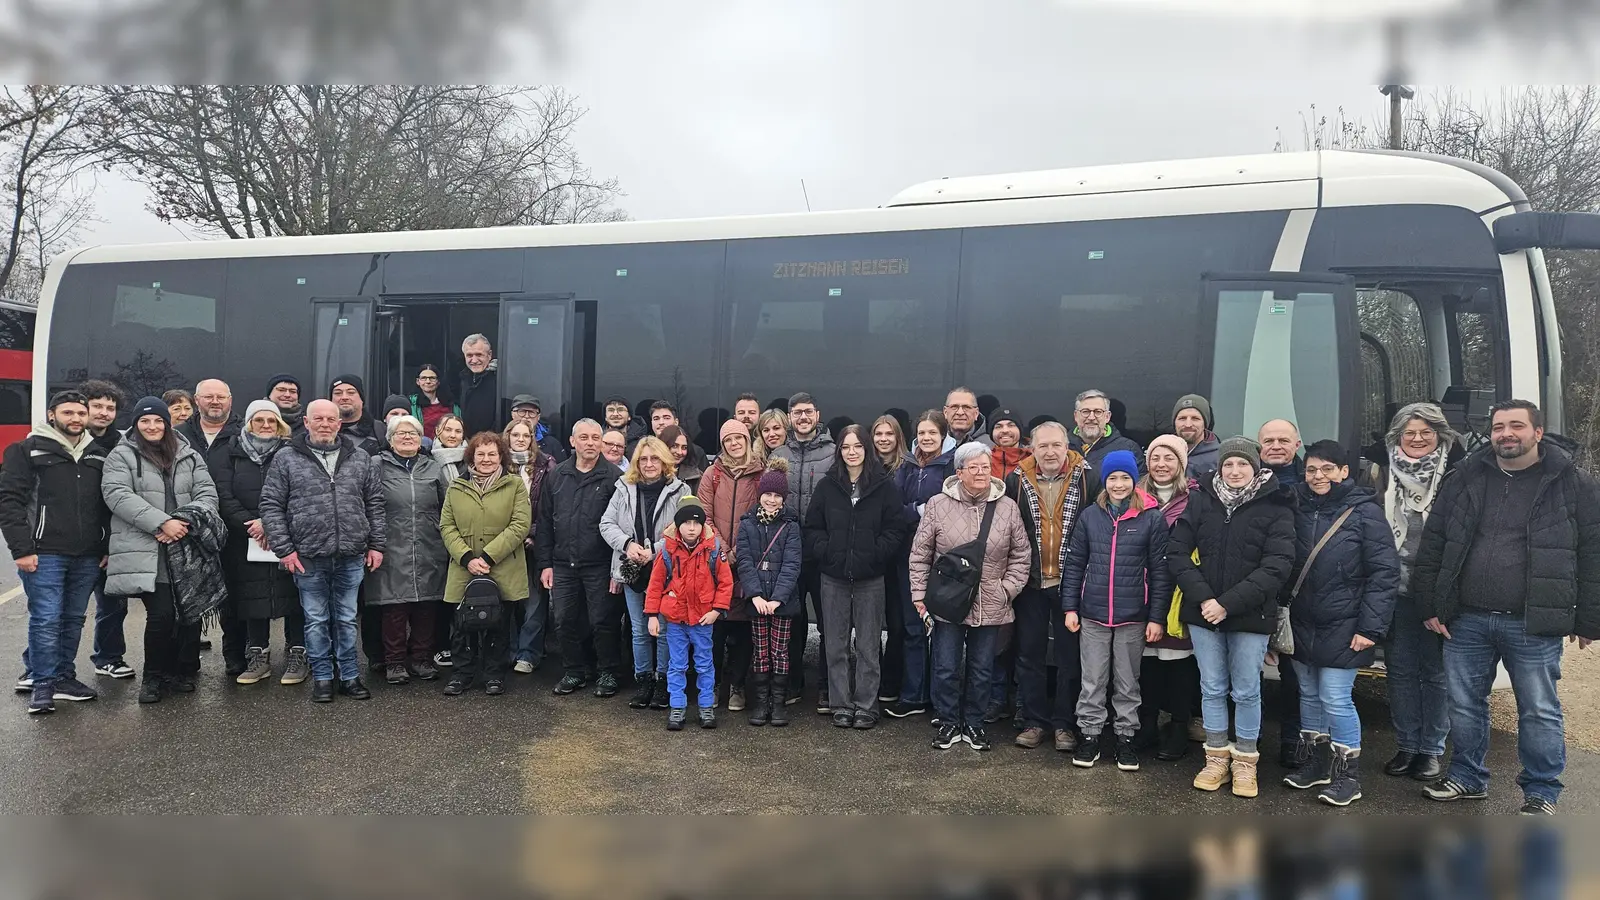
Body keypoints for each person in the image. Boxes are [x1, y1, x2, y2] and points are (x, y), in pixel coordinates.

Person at [1415, 400, 1600, 814]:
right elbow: (1435, 543)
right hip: (1467, 619)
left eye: (1516, 425)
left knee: (1538, 709)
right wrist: (1431, 604)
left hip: (1533, 623)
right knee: (1463, 704)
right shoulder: (1466, 477)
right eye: (1499, 427)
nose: (1506, 434)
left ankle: (1541, 790)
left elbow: (1593, 553)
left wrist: (1589, 618)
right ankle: (1466, 777)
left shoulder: (1572, 483)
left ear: (1537, 432)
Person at [1167, 437, 1296, 799]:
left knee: (1246, 690)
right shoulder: (1200, 500)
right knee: (1211, 687)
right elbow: (1176, 553)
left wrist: (1227, 603)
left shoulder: (1276, 506)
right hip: (1203, 610)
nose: (1235, 471)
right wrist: (1206, 598)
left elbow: (1278, 565)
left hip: (1250, 614)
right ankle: (1216, 757)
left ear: (1255, 468)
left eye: (1243, 465)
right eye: (1228, 465)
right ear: (1219, 468)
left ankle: (1245, 762)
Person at [1281, 439, 1399, 807]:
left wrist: (1370, 628)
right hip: (1302, 620)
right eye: (1312, 469)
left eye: (1327, 469)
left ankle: (1349, 776)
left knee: (1335, 697)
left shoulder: (1364, 513)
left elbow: (1384, 572)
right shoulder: (1294, 506)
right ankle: (1318, 765)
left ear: (1344, 471)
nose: (1318, 476)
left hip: (1345, 624)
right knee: (1310, 696)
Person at [259, 399, 385, 704]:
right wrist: (285, 550)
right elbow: (271, 506)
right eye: (319, 419)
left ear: (339, 423)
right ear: (306, 421)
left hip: (352, 553)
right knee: (315, 619)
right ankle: (323, 678)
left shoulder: (359, 458)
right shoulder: (286, 458)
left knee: (345, 618)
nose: (325, 424)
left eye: (331, 419)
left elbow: (375, 503)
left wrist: (377, 545)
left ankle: (350, 677)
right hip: (307, 556)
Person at [102, 397, 223, 704]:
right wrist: (162, 522)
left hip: (185, 542)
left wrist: (184, 520)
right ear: (136, 424)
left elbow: (207, 492)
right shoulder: (122, 455)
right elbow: (116, 494)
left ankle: (178, 672)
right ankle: (153, 678)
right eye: (145, 421)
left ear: (167, 424)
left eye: (158, 421)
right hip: (148, 545)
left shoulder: (188, 454)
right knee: (162, 614)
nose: (152, 427)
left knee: (187, 611)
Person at [911, 442, 1031, 751]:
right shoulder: (938, 504)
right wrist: (920, 595)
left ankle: (975, 724)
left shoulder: (1006, 506)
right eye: (973, 467)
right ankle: (949, 722)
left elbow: (1021, 555)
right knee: (946, 666)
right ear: (959, 472)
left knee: (981, 669)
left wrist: (1008, 589)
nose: (981, 473)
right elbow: (920, 554)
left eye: (985, 467)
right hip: (947, 601)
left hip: (991, 601)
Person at [1060, 449, 1172, 772]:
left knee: (1127, 682)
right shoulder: (1090, 516)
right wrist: (1070, 607)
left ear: (1135, 481)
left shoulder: (1150, 517)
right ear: (1104, 481)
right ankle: (1091, 736)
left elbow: (1160, 572)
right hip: (1092, 613)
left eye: (1125, 478)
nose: (1119, 484)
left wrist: (1156, 617)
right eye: (1113, 478)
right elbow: (1076, 563)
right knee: (1092, 679)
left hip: (1133, 616)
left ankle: (1125, 738)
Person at [0, 390, 112, 714]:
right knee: (47, 619)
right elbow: (10, 502)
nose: (75, 419)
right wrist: (21, 549)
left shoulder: (96, 454)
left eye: (80, 413)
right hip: (43, 552)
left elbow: (103, 506)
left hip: (88, 554)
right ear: (52, 415)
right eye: (68, 413)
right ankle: (42, 685)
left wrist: (104, 545)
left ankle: (64, 677)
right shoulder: (27, 450)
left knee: (73, 619)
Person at [802, 424, 907, 729]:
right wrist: (828, 553)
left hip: (870, 579)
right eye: (846, 447)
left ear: (867, 450)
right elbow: (813, 527)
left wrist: (875, 555)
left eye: (857, 446)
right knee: (834, 644)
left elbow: (895, 529)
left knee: (868, 645)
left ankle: (866, 705)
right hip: (833, 577)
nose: (852, 452)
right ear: (839, 451)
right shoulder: (827, 486)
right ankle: (841, 704)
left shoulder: (883, 486)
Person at [1004, 420, 1099, 750]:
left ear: (1066, 445)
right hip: (1031, 582)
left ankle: (1064, 725)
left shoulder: (1088, 477)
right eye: (1042, 445)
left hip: (1071, 582)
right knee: (1029, 653)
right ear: (1032, 447)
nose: (1049, 451)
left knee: (1068, 656)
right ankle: (1034, 722)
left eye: (1056, 445)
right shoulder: (1016, 479)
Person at [1376, 402, 1459, 783]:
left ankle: (1432, 750)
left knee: (1435, 673)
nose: (1418, 439)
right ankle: (1407, 744)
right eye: (1410, 432)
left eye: (1426, 432)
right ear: (1398, 436)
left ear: (1440, 435)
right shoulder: (1380, 475)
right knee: (1400, 672)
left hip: (1437, 592)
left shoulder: (1456, 477)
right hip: (1394, 589)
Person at [213, 400, 309, 688]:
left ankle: (297, 653)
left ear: (280, 425)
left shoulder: (292, 453)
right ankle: (258, 655)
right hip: (246, 538)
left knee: (293, 596)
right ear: (249, 423)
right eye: (259, 420)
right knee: (252, 596)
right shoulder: (231, 453)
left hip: (285, 536)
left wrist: (271, 523)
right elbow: (223, 494)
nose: (265, 426)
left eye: (271, 421)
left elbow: (302, 492)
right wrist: (252, 524)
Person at [537, 418, 625, 698]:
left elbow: (621, 527)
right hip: (562, 564)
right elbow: (545, 520)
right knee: (563, 621)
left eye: (595, 438)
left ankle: (608, 672)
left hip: (599, 565)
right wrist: (545, 564)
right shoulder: (557, 475)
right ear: (572, 442)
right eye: (584, 438)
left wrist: (617, 571)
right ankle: (574, 671)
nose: (590, 443)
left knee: (603, 621)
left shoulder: (614, 478)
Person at [439, 430, 531, 697]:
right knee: (461, 625)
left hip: (502, 566)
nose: (487, 459)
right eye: (481, 454)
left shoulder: (514, 485)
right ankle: (462, 674)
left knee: (499, 624)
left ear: (501, 455)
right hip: (464, 566)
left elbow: (520, 525)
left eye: (492, 454)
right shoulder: (456, 486)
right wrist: (467, 557)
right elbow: (447, 526)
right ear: (472, 456)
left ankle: (494, 675)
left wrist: (488, 557)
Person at [600, 436, 689, 710]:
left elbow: (685, 527)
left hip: (666, 569)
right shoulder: (623, 488)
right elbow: (606, 523)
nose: (649, 464)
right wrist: (627, 545)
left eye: (655, 458)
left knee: (662, 630)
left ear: (665, 461)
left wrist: (657, 549)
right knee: (639, 630)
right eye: (644, 459)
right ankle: (643, 681)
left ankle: (662, 681)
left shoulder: (680, 489)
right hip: (633, 568)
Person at [885, 410, 956, 719]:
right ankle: (914, 696)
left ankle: (942, 702)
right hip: (908, 556)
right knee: (914, 627)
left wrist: (925, 511)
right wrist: (922, 509)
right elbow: (893, 510)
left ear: (943, 435)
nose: (927, 438)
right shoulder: (907, 464)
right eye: (922, 433)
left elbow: (954, 509)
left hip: (943, 559)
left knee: (943, 630)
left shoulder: (953, 464)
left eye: (933, 433)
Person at [369, 415, 447, 685]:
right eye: (400, 433)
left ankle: (422, 659)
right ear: (390, 439)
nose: (407, 437)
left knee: (426, 604)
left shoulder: (432, 467)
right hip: (391, 545)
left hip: (429, 544)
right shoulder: (377, 465)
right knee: (394, 607)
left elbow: (446, 505)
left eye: (413, 433)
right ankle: (395, 662)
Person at [1134, 434, 1199, 762]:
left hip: (1177, 592)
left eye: (1169, 458)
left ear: (1181, 464)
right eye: (1155, 458)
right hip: (1138, 589)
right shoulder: (1133, 495)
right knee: (1146, 661)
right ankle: (1146, 724)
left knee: (1178, 663)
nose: (1161, 465)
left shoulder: (1195, 499)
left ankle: (1177, 726)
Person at [646, 495, 733, 730]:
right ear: (678, 525)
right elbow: (655, 583)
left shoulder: (713, 548)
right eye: (686, 523)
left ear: (703, 525)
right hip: (675, 619)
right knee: (676, 665)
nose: (691, 528)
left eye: (696, 523)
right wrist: (652, 615)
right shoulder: (667, 549)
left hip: (704, 619)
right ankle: (677, 707)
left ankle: (705, 707)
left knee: (705, 664)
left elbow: (725, 582)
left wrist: (717, 610)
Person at [699, 418, 767, 712]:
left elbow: (762, 513)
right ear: (723, 445)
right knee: (715, 630)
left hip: (749, 560)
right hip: (715, 561)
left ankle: (737, 686)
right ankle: (713, 685)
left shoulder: (760, 473)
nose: (734, 444)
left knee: (742, 630)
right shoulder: (712, 474)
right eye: (728, 440)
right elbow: (703, 516)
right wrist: (724, 550)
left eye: (739, 438)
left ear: (747, 440)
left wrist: (741, 550)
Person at [771, 392, 834, 705]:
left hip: (823, 553)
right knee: (791, 623)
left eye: (808, 411)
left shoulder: (834, 453)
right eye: (797, 412)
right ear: (790, 417)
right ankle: (792, 683)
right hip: (788, 553)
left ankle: (825, 687)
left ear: (817, 414)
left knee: (828, 624)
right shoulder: (778, 453)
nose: (803, 417)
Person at [735, 460, 802, 726]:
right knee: (761, 651)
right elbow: (745, 562)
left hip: (781, 602)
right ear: (760, 494)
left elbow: (792, 564)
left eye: (777, 495)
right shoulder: (748, 523)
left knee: (780, 651)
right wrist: (756, 596)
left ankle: (778, 702)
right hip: (758, 600)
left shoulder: (791, 525)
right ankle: (761, 703)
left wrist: (777, 599)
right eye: (768, 494)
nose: (772, 500)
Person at [1257, 417, 1306, 764]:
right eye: (1269, 440)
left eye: (1283, 440)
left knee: (1295, 676)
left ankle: (1293, 741)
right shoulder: (1248, 480)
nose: (1275, 445)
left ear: (1297, 444)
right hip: (1257, 591)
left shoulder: (1313, 480)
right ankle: (1250, 741)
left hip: (1299, 590)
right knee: (1249, 675)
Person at [79, 380, 132, 682]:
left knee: (113, 607)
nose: (104, 412)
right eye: (97, 405)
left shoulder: (122, 446)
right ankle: (42, 669)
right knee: (62, 612)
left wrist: (113, 545)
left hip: (111, 542)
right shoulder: (66, 443)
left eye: (110, 407)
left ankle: (109, 658)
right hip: (74, 542)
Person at [504, 419, 557, 674]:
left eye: (526, 435)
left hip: (535, 543)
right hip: (504, 546)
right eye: (516, 434)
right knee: (507, 601)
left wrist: (532, 534)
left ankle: (528, 653)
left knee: (535, 603)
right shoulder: (498, 464)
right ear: (508, 436)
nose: (521, 439)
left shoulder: (546, 465)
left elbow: (550, 508)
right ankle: (509, 650)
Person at [871, 413, 909, 704]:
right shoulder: (863, 467)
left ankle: (891, 680)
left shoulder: (907, 468)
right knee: (868, 623)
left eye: (889, 434)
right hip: (869, 556)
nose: (883, 439)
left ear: (898, 437)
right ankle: (868, 679)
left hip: (899, 556)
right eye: (878, 434)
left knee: (897, 624)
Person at [1069, 389, 1142, 477]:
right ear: (1076, 416)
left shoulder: (1128, 448)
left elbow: (1140, 485)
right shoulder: (1060, 447)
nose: (1091, 417)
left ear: (1107, 417)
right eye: (1085, 411)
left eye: (1098, 412)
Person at [180, 378, 242, 457]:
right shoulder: (179, 434)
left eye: (221, 397)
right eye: (208, 397)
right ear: (196, 399)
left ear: (230, 400)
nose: (215, 402)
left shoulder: (245, 434)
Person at [328, 374, 384, 456]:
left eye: (351, 392)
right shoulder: (317, 430)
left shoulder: (380, 431)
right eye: (338, 393)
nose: (344, 397)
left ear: (362, 399)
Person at [457, 334, 500, 437]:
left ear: (489, 355)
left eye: (479, 355)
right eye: (469, 355)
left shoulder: (500, 379)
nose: (474, 360)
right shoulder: (463, 379)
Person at [1174, 394, 1221, 482]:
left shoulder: (1220, 457)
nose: (1188, 424)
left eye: (1195, 418)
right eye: (1182, 418)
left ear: (1205, 423)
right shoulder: (1163, 453)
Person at [510, 395, 568, 462]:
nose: (526, 416)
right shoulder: (500, 442)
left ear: (538, 417)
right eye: (522, 411)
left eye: (531, 412)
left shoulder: (553, 445)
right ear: (513, 414)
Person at [408, 363, 459, 439]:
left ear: (438, 382)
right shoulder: (411, 403)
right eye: (423, 378)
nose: (428, 381)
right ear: (417, 381)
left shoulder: (451, 404)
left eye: (432, 378)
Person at [940, 387, 993, 452]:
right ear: (945, 412)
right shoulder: (935, 443)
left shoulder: (990, 447)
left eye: (966, 407)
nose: (960, 412)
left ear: (976, 413)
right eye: (954, 407)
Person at [987, 408, 1028, 479]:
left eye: (1011, 425)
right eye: (998, 427)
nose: (1005, 430)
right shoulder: (984, 459)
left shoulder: (1033, 459)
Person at [661, 424, 703, 492]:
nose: (679, 452)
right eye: (674, 446)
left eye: (684, 448)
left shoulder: (695, 476)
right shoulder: (651, 472)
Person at [432, 414, 467, 483]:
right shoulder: (427, 459)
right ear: (437, 431)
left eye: (458, 431)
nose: (453, 435)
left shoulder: (471, 459)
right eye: (448, 430)